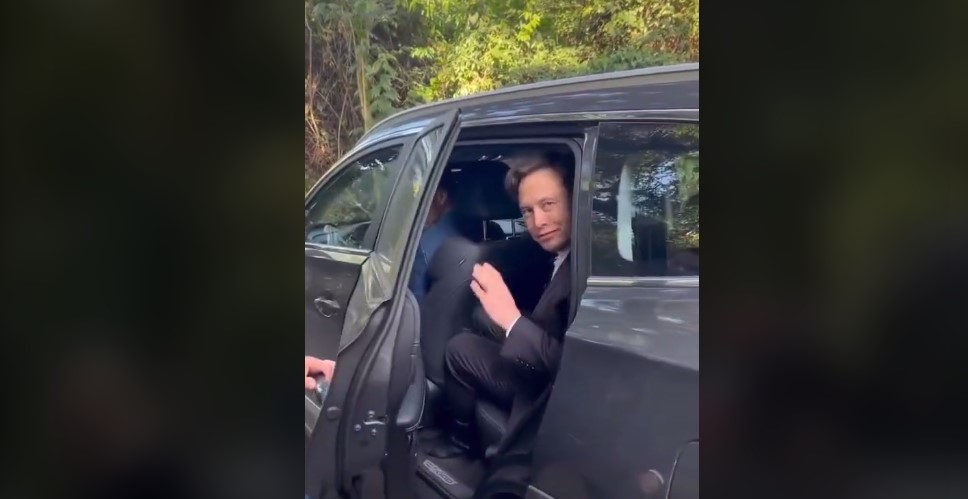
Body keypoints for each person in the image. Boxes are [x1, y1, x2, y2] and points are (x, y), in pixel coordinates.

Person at [429, 151, 573, 459]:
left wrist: (510, 318)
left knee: (458, 349)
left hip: (543, 395)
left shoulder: (580, 269)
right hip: (541, 357)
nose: (538, 222)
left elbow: (566, 367)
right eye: (527, 211)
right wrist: (504, 317)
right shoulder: (562, 254)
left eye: (548, 204)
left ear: (574, 200)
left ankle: (460, 440)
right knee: (480, 319)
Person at [409, 174, 462, 304]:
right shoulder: (491, 234)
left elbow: (417, 307)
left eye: (422, 197)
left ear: (441, 196)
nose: (418, 206)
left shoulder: (424, 245)